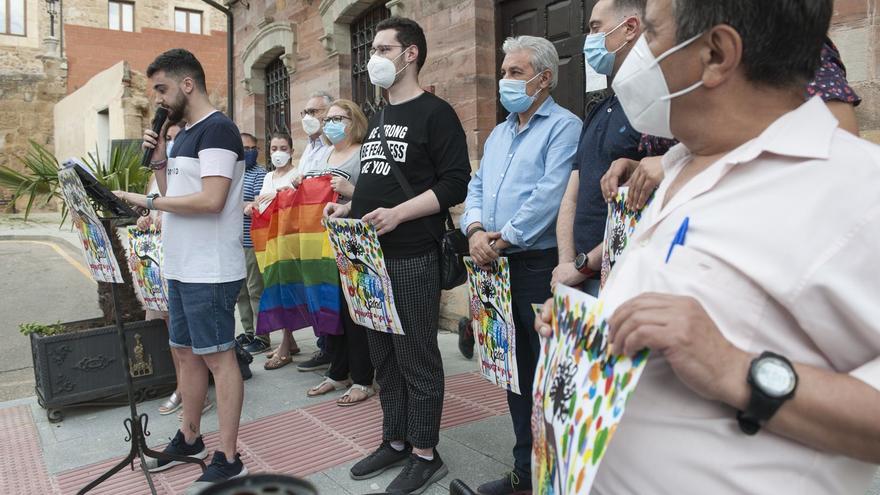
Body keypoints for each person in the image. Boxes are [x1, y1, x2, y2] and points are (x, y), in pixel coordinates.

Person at [533, 0, 880, 492]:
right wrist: (584, 337)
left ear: (716, 54)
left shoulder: (857, 191)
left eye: (651, 35)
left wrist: (737, 371)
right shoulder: (675, 164)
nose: (634, 56)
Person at [324, 16, 471, 494]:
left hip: (411, 254)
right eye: (374, 50)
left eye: (385, 49)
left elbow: (454, 183)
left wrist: (399, 214)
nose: (375, 59)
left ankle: (426, 453)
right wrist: (350, 205)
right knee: (382, 353)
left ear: (411, 54)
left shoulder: (436, 113)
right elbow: (378, 178)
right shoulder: (381, 114)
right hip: (368, 256)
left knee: (416, 355)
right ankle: (396, 439)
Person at [115, 48, 248, 492]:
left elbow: (210, 202)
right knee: (184, 353)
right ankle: (190, 438)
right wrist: (158, 161)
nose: (157, 99)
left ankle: (229, 457)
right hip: (181, 263)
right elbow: (178, 194)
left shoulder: (219, 130)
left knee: (218, 358)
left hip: (210, 267)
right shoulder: (184, 133)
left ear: (187, 84)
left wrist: (147, 201)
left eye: (161, 89)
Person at [463, 36, 580, 495]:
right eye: (504, 71)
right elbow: (476, 186)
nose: (504, 80)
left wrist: (504, 236)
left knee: (544, 375)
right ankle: (523, 472)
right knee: (512, 371)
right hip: (494, 268)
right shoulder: (499, 132)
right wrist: (474, 231)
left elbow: (551, 195)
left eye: (515, 72)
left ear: (544, 78)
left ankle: (554, 476)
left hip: (535, 265)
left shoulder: (564, 127)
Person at [600, 36, 864, 212]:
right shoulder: (689, 61)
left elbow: (838, 139)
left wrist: (675, 166)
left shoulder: (785, 43)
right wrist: (640, 169)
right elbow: (691, 146)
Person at [550, 0, 648, 297]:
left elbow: (652, 204)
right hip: (579, 280)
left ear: (629, 28)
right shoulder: (599, 108)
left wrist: (583, 265)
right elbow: (572, 195)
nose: (588, 40)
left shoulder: (653, 108)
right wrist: (568, 264)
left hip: (626, 276)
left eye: (595, 28)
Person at [302, 99, 376, 406]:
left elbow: (377, 196)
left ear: (354, 120)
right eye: (328, 118)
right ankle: (338, 371)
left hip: (354, 243)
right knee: (334, 309)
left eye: (338, 118)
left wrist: (350, 191)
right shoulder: (325, 153)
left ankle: (363, 378)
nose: (330, 122)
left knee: (354, 313)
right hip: (323, 244)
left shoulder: (363, 153)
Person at [245, 133, 302, 369]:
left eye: (283, 147)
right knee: (275, 288)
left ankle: (286, 347)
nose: (278, 152)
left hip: (290, 240)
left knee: (286, 289)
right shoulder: (268, 176)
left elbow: (297, 200)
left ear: (291, 150)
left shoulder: (297, 174)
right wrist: (252, 206)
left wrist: (277, 196)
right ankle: (290, 341)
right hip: (269, 237)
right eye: (274, 148)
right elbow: (262, 201)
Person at [295, 91, 338, 373]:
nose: (308, 118)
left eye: (315, 112)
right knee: (312, 290)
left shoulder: (334, 146)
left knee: (328, 289)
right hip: (306, 231)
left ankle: (334, 350)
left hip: (326, 230)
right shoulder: (308, 148)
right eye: (305, 113)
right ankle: (324, 345)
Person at [236, 132, 271, 355]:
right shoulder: (232, 174)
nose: (249, 152)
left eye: (252, 148)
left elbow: (259, 204)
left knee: (255, 289)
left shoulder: (260, 174)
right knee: (240, 292)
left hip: (251, 239)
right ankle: (248, 331)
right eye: (244, 148)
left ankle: (262, 336)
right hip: (233, 241)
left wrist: (237, 205)